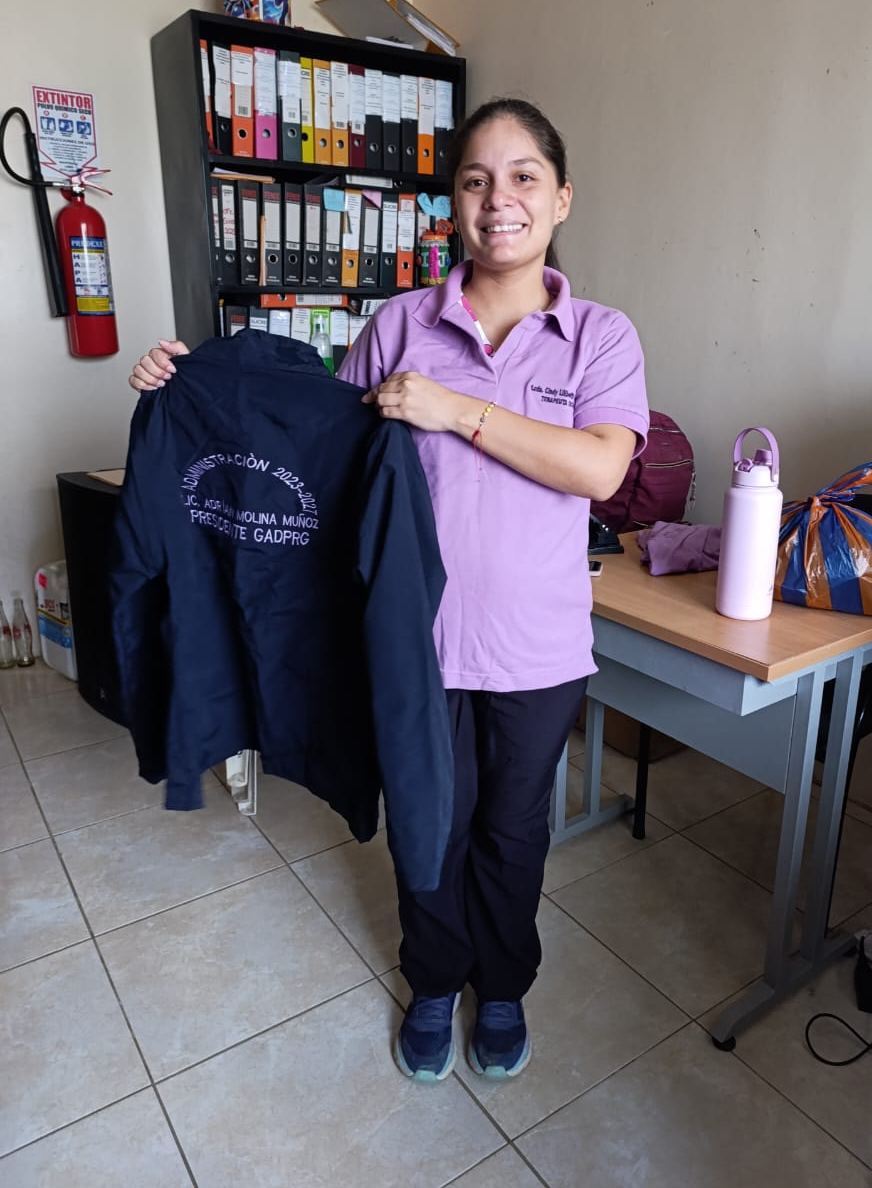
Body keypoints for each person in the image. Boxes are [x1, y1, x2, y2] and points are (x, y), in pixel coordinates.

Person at [130, 97, 649, 1084]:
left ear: (561, 198)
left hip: (539, 648)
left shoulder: (599, 335)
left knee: (512, 832)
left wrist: (456, 410)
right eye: (475, 180)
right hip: (415, 646)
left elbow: (600, 468)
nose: (499, 200)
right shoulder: (401, 323)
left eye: (524, 177)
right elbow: (317, 444)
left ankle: (504, 985)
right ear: (452, 203)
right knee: (429, 824)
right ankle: (437, 980)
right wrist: (197, 382)